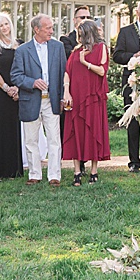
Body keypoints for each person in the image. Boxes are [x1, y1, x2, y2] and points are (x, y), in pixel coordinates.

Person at [12, 14, 67, 186]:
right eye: (48, 28)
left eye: (52, 27)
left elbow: (64, 73)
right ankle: (34, 174)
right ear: (37, 29)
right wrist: (32, 82)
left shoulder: (58, 47)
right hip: (31, 99)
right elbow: (15, 75)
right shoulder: (22, 50)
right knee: (31, 139)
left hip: (52, 100)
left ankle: (54, 175)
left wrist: (64, 96)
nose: (52, 31)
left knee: (54, 139)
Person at [61, 19, 111, 184]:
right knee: (75, 131)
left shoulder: (101, 48)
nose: (79, 37)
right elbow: (68, 72)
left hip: (93, 97)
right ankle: (76, 171)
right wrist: (66, 92)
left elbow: (102, 71)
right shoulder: (76, 50)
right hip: (76, 96)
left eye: (82, 34)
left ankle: (94, 171)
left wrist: (85, 62)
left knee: (93, 130)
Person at [0, 12, 25, 181]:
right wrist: (7, 88)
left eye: (6, 24)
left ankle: (15, 170)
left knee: (14, 129)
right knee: (0, 129)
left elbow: (25, 68)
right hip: (0, 92)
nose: (5, 28)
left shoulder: (20, 45)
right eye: (1, 25)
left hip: (18, 91)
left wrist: (18, 89)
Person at [113, 0, 140, 171]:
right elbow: (117, 55)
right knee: (133, 122)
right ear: (137, 12)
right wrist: (133, 56)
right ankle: (134, 161)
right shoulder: (126, 31)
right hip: (131, 82)